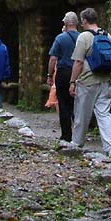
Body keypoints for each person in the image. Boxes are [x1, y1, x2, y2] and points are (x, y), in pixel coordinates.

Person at [67, 8, 111, 159]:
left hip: (87, 81)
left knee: (82, 114)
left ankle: (76, 144)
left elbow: (78, 62)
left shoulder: (84, 37)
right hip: (105, 81)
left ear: (84, 21)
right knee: (104, 115)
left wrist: (72, 82)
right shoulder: (108, 36)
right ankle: (110, 148)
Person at [46, 13, 80, 142]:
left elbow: (53, 58)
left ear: (65, 23)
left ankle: (66, 135)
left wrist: (50, 75)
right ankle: (78, 135)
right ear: (77, 23)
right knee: (77, 104)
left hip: (63, 72)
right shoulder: (83, 38)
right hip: (79, 73)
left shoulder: (60, 38)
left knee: (64, 104)